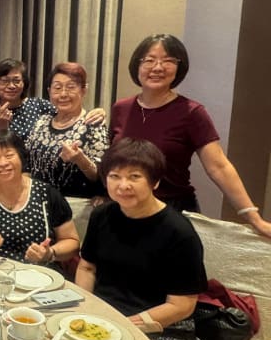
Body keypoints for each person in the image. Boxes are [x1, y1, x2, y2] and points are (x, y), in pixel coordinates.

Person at [75, 138, 221, 340]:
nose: (123, 185)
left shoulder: (177, 232)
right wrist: (86, 308)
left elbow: (182, 305)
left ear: (154, 181)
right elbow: (87, 266)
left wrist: (127, 328)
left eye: (134, 177)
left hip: (161, 329)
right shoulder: (103, 217)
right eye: (114, 176)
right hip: (105, 319)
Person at [111, 33, 271, 237]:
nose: (158, 67)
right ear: (137, 65)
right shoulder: (121, 108)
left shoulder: (191, 112)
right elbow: (113, 164)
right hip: (126, 208)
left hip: (171, 212)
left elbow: (219, 167)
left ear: (179, 68)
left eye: (168, 61)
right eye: (149, 60)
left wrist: (253, 217)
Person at [0, 130, 79, 268]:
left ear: (21, 157)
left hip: (39, 276)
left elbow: (71, 240)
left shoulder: (47, 194)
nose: (3, 163)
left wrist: (50, 253)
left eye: (9, 155)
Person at [25, 62, 109, 197]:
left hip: (74, 207)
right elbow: (27, 163)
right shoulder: (42, 121)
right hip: (38, 203)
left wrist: (80, 159)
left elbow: (100, 176)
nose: (63, 94)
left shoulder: (93, 124)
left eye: (71, 87)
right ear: (49, 91)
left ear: (83, 90)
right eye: (57, 88)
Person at [0, 58, 104, 140]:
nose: (11, 86)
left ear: (24, 83)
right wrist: (1, 126)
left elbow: (69, 116)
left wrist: (97, 113)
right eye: (4, 81)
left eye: (16, 80)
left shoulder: (39, 105)